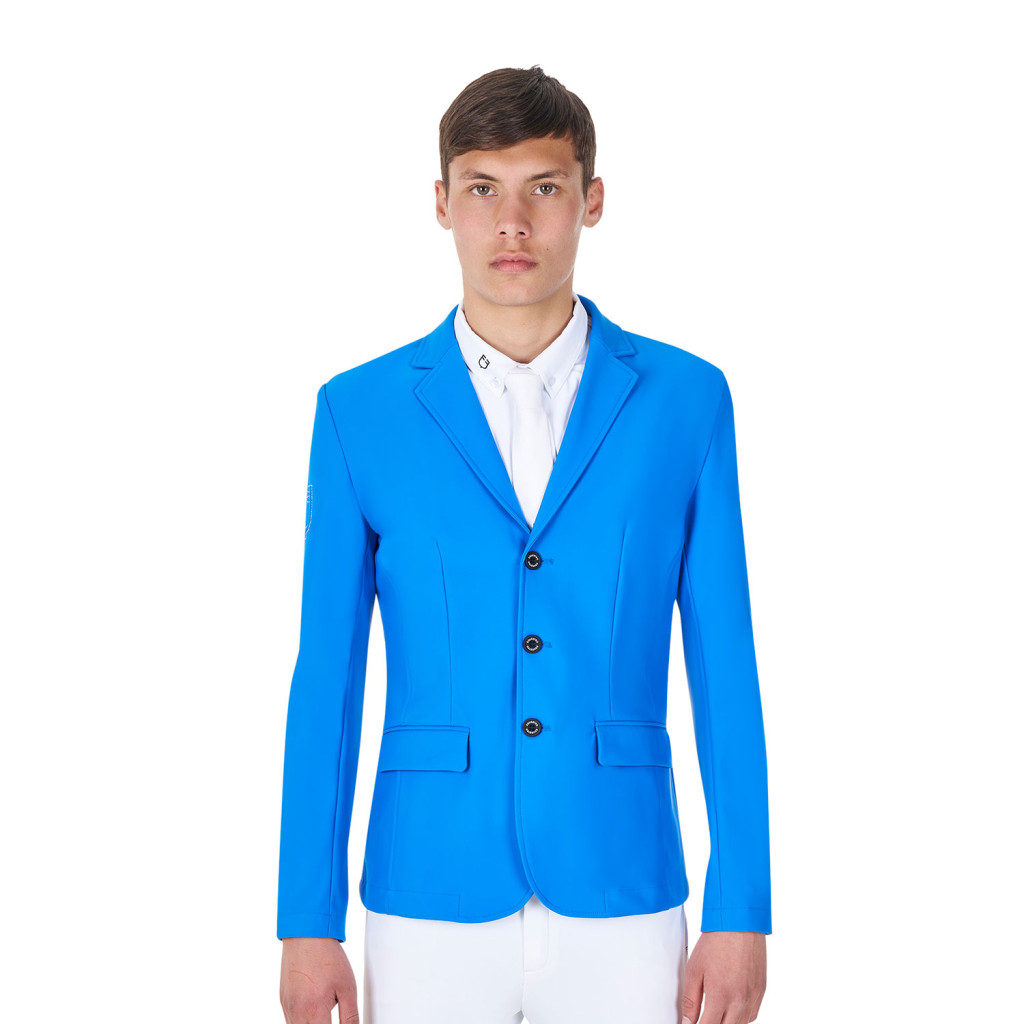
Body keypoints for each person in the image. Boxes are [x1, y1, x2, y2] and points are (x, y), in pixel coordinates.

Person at [277, 65, 771, 1024]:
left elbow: (727, 667)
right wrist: (307, 919)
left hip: (624, 885)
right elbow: (326, 678)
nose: (512, 223)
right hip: (428, 890)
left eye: (543, 187)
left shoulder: (687, 400)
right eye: (482, 189)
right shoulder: (358, 412)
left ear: (592, 199)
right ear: (441, 204)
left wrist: (740, 907)